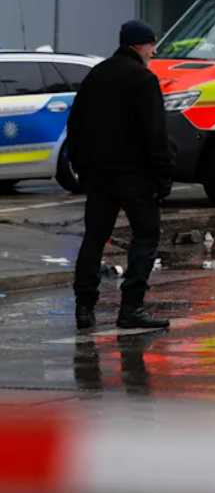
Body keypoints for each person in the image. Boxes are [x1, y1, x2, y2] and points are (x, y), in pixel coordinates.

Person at [68, 20, 174, 331]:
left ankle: (84, 308)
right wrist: (164, 175)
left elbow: (75, 126)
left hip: (99, 176)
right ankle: (131, 307)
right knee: (146, 235)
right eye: (151, 44)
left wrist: (82, 167)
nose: (154, 51)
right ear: (138, 45)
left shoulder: (96, 75)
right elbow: (156, 133)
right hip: (135, 177)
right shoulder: (143, 79)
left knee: (94, 237)